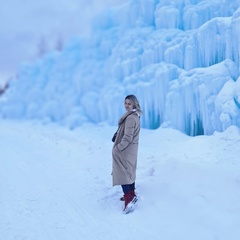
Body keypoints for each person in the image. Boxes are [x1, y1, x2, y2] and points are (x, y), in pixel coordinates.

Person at [112, 94, 142, 213]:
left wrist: (118, 148)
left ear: (134, 104)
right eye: (125, 103)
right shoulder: (135, 116)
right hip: (131, 150)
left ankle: (129, 198)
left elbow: (128, 137)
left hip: (125, 150)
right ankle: (132, 193)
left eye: (129, 103)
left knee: (122, 173)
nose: (127, 106)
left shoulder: (130, 118)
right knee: (129, 171)